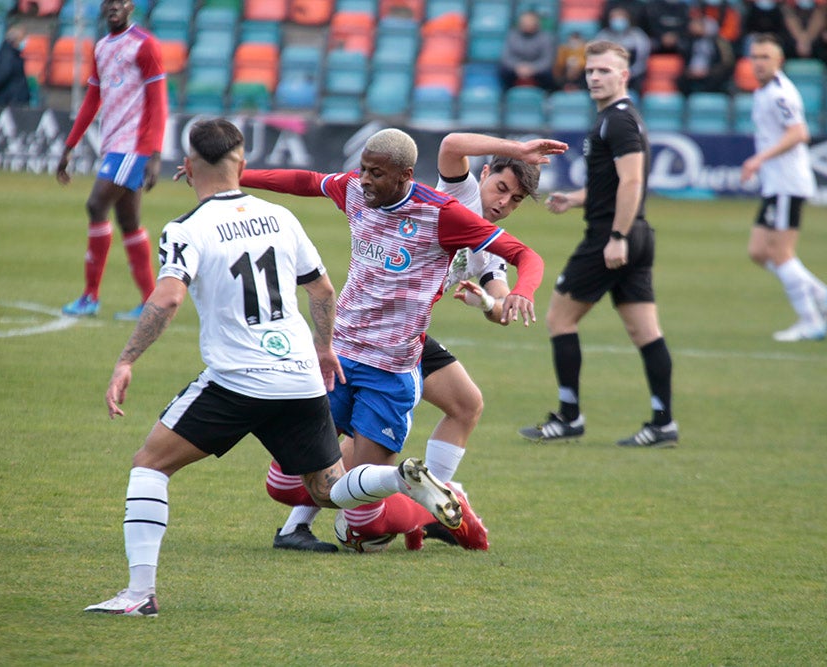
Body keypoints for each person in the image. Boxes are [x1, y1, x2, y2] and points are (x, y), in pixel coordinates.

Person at [84, 119, 462, 616]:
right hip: (300, 374)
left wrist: (127, 359)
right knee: (327, 490)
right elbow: (323, 290)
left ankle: (138, 595)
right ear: (242, 164)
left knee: (149, 465)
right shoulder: (280, 217)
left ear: (191, 166)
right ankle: (398, 481)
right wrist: (324, 350)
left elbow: (169, 297)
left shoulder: (186, 228)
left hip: (238, 378)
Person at [240, 128, 546, 552]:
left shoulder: (470, 234)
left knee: (462, 408)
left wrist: (501, 300)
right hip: (347, 349)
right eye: (501, 188)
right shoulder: (459, 196)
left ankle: (432, 501)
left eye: (514, 200)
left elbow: (503, 303)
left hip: (400, 348)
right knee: (291, 482)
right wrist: (237, 176)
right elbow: (311, 181)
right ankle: (424, 498)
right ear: (487, 173)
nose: (502, 203)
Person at [518, 40, 679, 449]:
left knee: (559, 319)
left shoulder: (620, 121)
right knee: (645, 332)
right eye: (590, 70)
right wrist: (575, 199)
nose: (594, 77)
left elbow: (633, 181)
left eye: (604, 71)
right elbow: (611, 184)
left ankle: (569, 416)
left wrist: (617, 237)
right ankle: (663, 423)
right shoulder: (613, 119)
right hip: (635, 235)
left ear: (624, 75)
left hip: (613, 237)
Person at [55, 0, 167, 321]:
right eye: (109, 2)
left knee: (95, 205)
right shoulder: (102, 47)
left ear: (131, 6)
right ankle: (150, 301)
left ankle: (90, 297)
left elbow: (159, 103)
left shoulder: (145, 46)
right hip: (113, 143)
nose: (114, 6)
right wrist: (69, 145)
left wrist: (155, 155)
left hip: (134, 144)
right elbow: (93, 98)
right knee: (129, 220)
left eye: (121, 1)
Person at [741, 34, 827, 342]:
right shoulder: (764, 91)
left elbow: (799, 133)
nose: (759, 63)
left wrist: (759, 159)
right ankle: (821, 293)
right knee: (759, 251)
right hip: (776, 184)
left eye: (765, 57)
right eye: (755, 57)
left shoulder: (780, 95)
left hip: (787, 183)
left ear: (779, 61)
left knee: (782, 254)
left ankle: (811, 320)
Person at [595, 6, 651, 94]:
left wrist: (629, 73)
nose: (618, 20)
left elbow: (642, 60)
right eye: (615, 17)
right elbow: (597, 58)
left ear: (627, 19)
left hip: (633, 75)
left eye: (621, 17)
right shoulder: (603, 36)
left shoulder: (638, 36)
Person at [676, 15, 736, 96]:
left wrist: (708, 71)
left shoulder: (719, 42)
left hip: (710, 73)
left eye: (700, 25)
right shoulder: (689, 41)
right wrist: (690, 71)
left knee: (717, 77)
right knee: (681, 79)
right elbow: (684, 57)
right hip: (692, 72)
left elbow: (726, 62)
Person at [499, 9, 556, 91]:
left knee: (549, 74)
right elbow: (506, 57)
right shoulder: (512, 36)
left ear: (536, 23)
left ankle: (546, 98)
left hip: (537, 69)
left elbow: (547, 60)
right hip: (516, 68)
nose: (526, 24)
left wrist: (533, 68)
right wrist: (517, 67)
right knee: (503, 71)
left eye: (529, 22)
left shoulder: (546, 38)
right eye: (524, 22)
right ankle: (506, 96)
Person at [0, 24, 31, 107]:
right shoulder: (8, 56)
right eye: (23, 39)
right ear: (16, 40)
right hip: (9, 101)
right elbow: (1, 76)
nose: (25, 42)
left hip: (13, 100)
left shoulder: (13, 55)